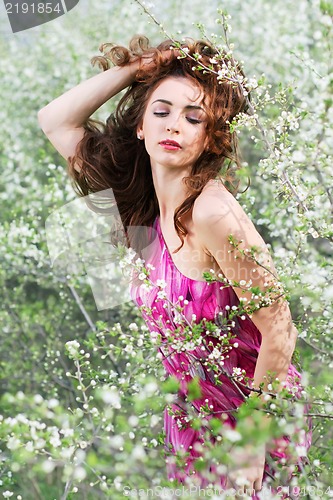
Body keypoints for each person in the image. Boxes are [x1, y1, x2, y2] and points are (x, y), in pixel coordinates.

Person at [38, 35, 312, 497]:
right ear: (141, 125)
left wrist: (253, 441)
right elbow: (55, 119)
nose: (175, 127)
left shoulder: (211, 213)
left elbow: (280, 326)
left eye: (194, 117)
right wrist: (143, 67)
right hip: (191, 419)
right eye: (161, 111)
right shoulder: (140, 212)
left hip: (253, 419)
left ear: (211, 135)